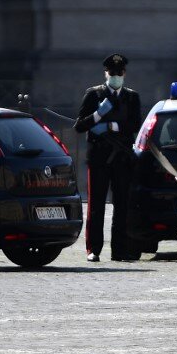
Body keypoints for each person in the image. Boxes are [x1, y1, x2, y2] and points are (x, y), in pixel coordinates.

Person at [73, 53, 142, 262]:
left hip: (121, 158)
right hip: (99, 158)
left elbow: (135, 125)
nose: (115, 76)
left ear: (124, 74)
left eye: (119, 73)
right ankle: (93, 249)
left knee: (122, 205)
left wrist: (114, 126)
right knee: (96, 206)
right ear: (106, 73)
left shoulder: (131, 97)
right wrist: (98, 115)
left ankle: (119, 250)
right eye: (112, 73)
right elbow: (80, 126)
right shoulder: (94, 95)